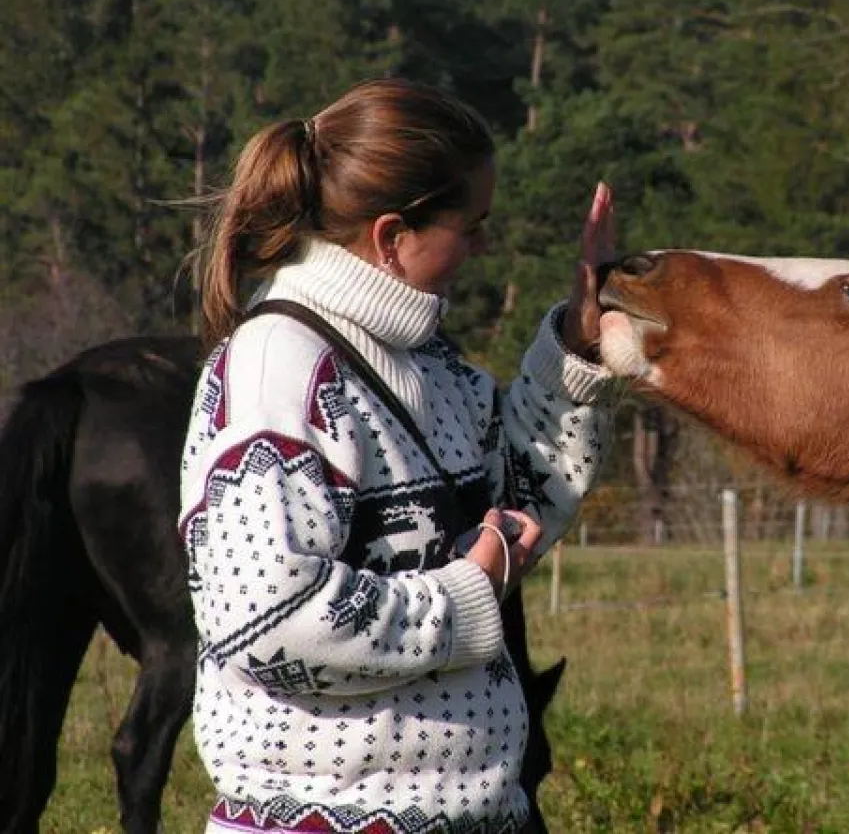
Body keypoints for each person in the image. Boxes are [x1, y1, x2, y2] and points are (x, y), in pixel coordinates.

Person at [178, 78, 618, 834]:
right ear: (391, 238)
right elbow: (266, 622)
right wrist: (466, 599)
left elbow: (516, 499)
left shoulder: (426, 362)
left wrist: (580, 343)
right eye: (471, 226)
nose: (482, 247)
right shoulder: (278, 369)